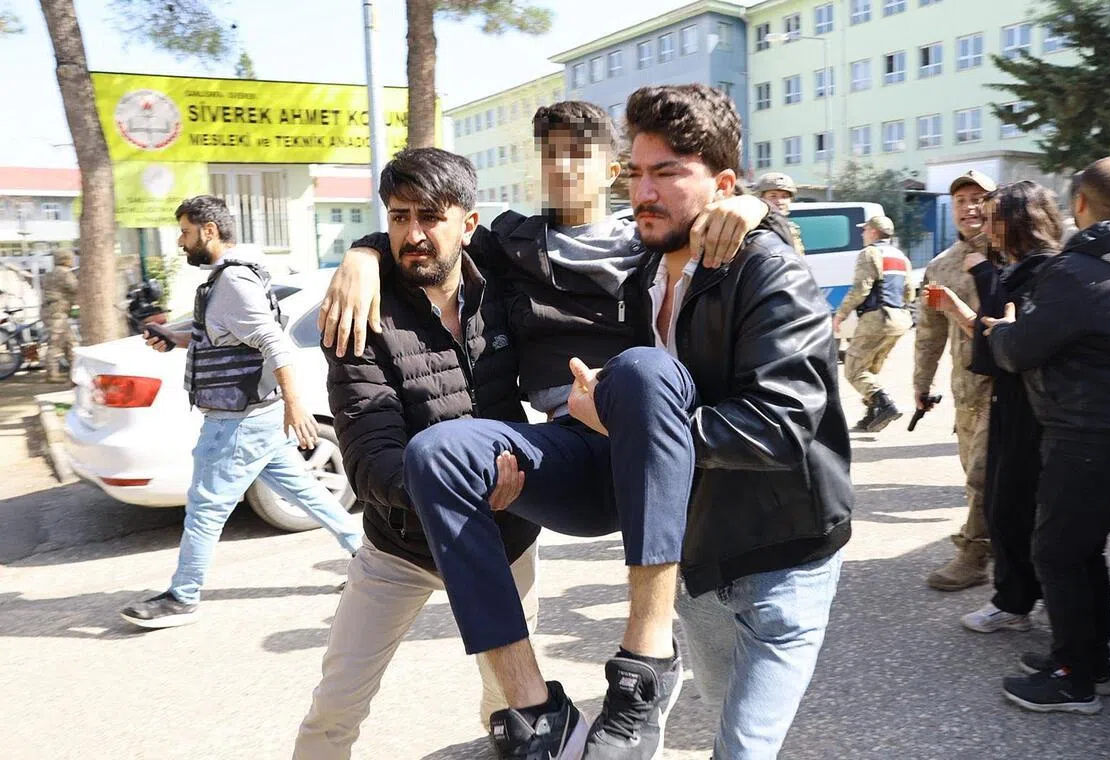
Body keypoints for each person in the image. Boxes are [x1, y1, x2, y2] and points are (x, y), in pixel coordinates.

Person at [320, 101, 770, 760]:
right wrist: (361, 254)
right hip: (567, 448)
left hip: (656, 443)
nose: (563, 167)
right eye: (551, 153)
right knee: (437, 453)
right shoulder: (511, 243)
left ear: (610, 168)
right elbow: (427, 234)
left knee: (731, 677)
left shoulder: (650, 236)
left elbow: (743, 232)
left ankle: (647, 658)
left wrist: (757, 208)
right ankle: (536, 710)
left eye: (579, 153)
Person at [590, 83, 849, 759]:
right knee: (722, 712)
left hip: (784, 559)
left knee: (739, 749)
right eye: (635, 173)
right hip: (697, 560)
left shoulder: (766, 271)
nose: (643, 192)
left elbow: (779, 421)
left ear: (723, 184)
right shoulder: (639, 272)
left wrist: (634, 431)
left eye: (668, 173)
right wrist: (367, 252)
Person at [294, 149, 541, 758]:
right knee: (335, 710)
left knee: (509, 701)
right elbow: (369, 459)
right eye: (398, 217)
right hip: (399, 547)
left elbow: (592, 236)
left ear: (469, 223)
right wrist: (363, 252)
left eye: (431, 216)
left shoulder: (502, 287)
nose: (414, 234)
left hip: (505, 540)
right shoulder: (361, 316)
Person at [119, 195, 362, 629]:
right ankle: (366, 555)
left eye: (186, 232)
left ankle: (183, 595)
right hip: (255, 417)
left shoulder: (233, 281)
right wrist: (172, 337)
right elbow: (224, 338)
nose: (180, 241)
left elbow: (274, 343)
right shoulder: (229, 279)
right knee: (306, 493)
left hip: (238, 420)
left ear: (209, 231)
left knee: (205, 507)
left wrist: (296, 405)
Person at [984, 157, 1110, 714]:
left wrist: (1003, 331)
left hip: (1092, 435)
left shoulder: (1079, 272)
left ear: (1079, 204)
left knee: (1057, 551)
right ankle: (1085, 661)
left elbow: (1020, 349)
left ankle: (1076, 679)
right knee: (1079, 549)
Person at [933, 182, 1063, 639]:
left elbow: (1006, 351)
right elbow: (994, 343)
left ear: (1019, 221)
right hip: (1011, 405)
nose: (983, 225)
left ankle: (1028, 605)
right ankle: (1017, 600)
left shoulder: (1045, 272)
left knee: (1019, 510)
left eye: (992, 217)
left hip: (1036, 411)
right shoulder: (1020, 268)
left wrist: (984, 277)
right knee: (1006, 507)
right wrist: (962, 312)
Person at [914, 169, 998, 592]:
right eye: (962, 199)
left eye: (980, 197)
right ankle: (1002, 545)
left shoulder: (1011, 257)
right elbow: (929, 333)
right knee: (974, 473)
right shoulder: (940, 265)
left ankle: (974, 555)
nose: (970, 206)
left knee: (981, 477)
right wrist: (921, 383)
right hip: (964, 391)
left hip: (1002, 391)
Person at [831, 214, 914, 432]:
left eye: (865, 229)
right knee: (870, 370)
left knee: (853, 369)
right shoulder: (900, 256)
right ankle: (871, 415)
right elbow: (908, 292)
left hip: (877, 318)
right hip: (899, 319)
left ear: (874, 232)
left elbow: (861, 288)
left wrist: (840, 315)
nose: (862, 233)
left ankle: (885, 404)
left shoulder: (869, 253)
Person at [40, 248, 78, 383]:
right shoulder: (64, 273)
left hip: (52, 312)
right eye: (70, 258)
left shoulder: (50, 274)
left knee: (70, 343)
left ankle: (75, 372)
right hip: (57, 312)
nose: (72, 260)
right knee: (56, 343)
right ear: (65, 259)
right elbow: (76, 288)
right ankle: (51, 374)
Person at [755, 171, 806, 255]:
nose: (779, 201)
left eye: (784, 196)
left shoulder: (789, 227)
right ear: (761, 198)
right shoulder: (757, 228)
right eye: (773, 196)